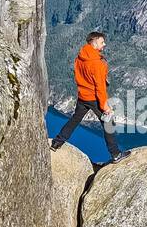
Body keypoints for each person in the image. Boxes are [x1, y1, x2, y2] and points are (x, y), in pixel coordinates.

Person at [50, 32, 130, 164]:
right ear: (93, 41)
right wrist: (105, 106)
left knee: (74, 120)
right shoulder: (96, 63)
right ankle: (115, 154)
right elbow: (100, 87)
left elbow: (78, 76)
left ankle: (57, 142)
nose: (104, 44)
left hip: (83, 96)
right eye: (102, 42)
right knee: (108, 123)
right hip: (94, 98)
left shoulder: (80, 57)